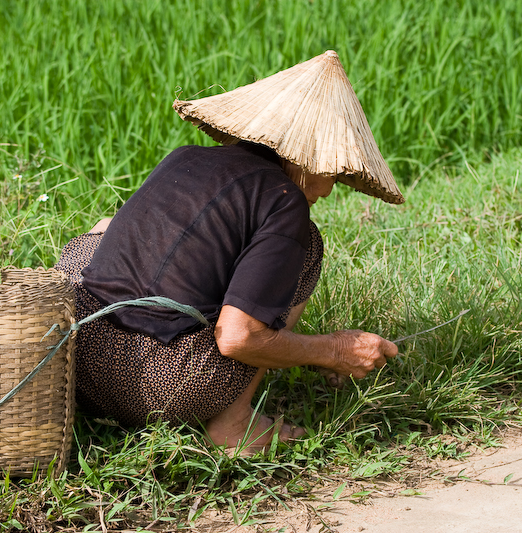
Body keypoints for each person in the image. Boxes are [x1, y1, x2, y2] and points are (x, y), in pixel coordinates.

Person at [54, 51, 403, 455]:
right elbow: (238, 338)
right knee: (306, 249)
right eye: (331, 174)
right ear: (306, 159)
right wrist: (333, 350)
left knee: (98, 233)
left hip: (72, 364)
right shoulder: (285, 200)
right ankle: (234, 427)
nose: (327, 190)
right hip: (156, 388)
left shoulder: (185, 156)